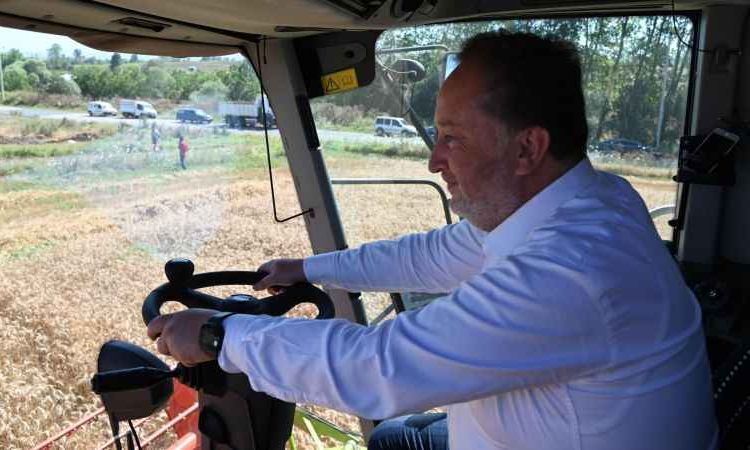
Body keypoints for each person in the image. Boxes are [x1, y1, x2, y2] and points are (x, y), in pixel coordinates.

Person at [147, 31, 717, 449]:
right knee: (393, 439)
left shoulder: (572, 271)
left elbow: (380, 367)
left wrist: (223, 336)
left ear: (527, 150)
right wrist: (311, 267)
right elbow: (437, 252)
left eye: (452, 138)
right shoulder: (589, 202)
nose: (434, 159)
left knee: (390, 438)